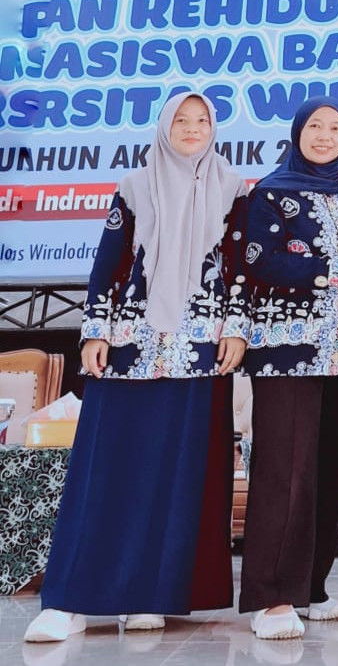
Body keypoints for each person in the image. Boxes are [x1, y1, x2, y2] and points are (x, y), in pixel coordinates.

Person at [25, 92, 250, 643]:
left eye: (202, 120)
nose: (192, 128)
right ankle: (71, 601)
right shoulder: (134, 186)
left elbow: (241, 268)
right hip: (130, 346)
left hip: (201, 349)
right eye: (182, 120)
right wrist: (95, 331)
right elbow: (108, 263)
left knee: (180, 475)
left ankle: (153, 594)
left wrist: (238, 328)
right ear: (164, 127)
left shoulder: (233, 189)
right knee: (108, 467)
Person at [238, 96, 338, 641]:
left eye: (335, 127)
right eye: (315, 126)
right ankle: (271, 597)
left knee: (333, 468)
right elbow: (260, 263)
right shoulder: (269, 192)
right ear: (297, 132)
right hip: (288, 350)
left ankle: (311, 587)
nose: (325, 135)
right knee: (285, 472)